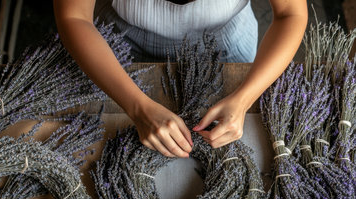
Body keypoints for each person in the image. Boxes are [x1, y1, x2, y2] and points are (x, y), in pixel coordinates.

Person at [53, 0, 307, 158]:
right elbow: (74, 16)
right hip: (123, 36)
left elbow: (290, 14)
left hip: (225, 37)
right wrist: (137, 107)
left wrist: (243, 99)